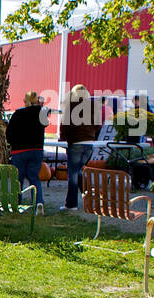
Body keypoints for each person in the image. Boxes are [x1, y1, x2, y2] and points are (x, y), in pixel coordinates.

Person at [59, 83, 101, 211]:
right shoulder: (94, 105)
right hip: (89, 143)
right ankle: (90, 198)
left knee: (73, 175)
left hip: (76, 143)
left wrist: (65, 137)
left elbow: (65, 125)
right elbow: (98, 124)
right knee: (80, 172)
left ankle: (71, 204)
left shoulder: (71, 105)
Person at [7, 91, 49, 214]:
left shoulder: (17, 113)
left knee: (18, 179)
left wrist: (12, 144)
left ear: (25, 101)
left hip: (19, 150)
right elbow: (46, 122)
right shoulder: (41, 113)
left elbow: (9, 133)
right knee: (34, 178)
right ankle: (38, 202)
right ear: (36, 101)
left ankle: (16, 203)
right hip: (36, 150)